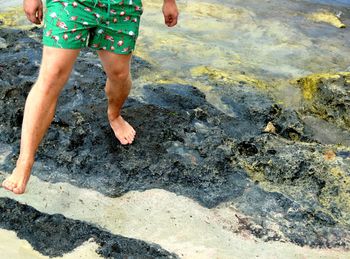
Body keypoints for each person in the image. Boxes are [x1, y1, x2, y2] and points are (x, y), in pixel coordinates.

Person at [1, 0, 179, 194]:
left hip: (120, 7)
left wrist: (169, 1)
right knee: (51, 75)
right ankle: (24, 161)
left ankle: (114, 114)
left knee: (119, 75)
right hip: (70, 3)